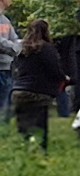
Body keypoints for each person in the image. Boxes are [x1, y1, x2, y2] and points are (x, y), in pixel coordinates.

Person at [11, 15, 61, 149]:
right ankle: (40, 153)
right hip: (39, 92)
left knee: (24, 127)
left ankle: (24, 149)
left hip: (19, 91)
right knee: (40, 129)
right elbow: (54, 70)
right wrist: (64, 79)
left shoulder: (21, 49)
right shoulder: (46, 49)